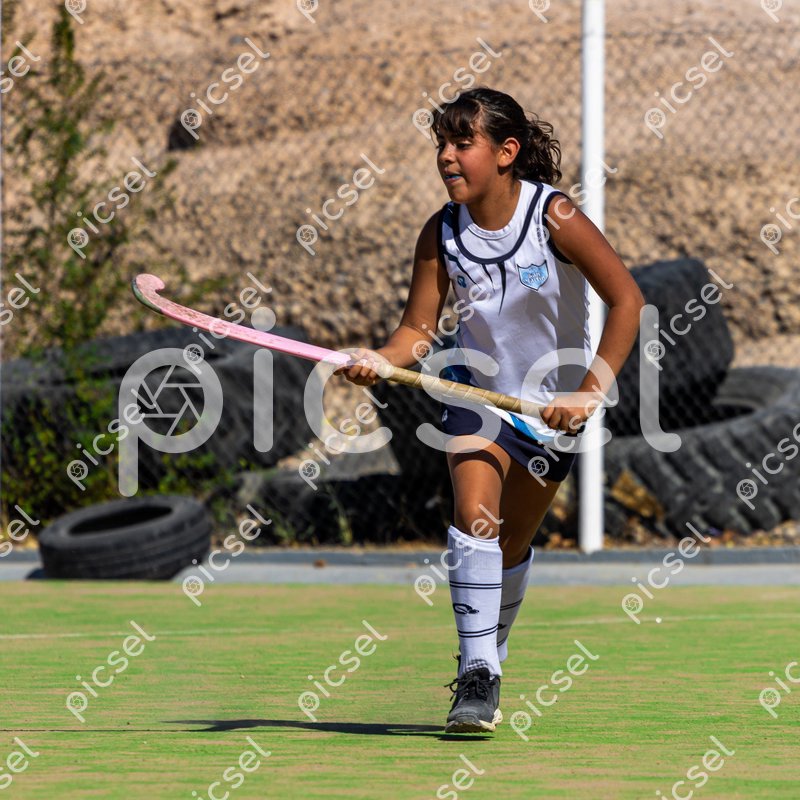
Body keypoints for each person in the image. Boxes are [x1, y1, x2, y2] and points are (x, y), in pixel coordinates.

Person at [334, 87, 644, 733]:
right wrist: (379, 360)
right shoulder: (441, 232)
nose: (446, 157)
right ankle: (477, 673)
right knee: (474, 516)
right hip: (476, 397)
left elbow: (627, 302)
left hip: (551, 412)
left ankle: (487, 658)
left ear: (506, 152)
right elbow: (417, 332)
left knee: (510, 547)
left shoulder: (553, 216)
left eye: (461, 143)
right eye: (441, 145)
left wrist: (588, 391)